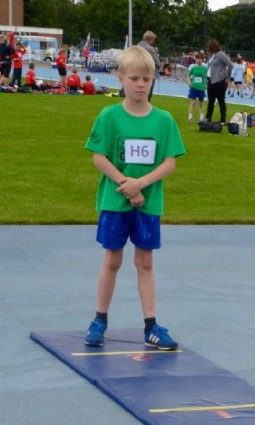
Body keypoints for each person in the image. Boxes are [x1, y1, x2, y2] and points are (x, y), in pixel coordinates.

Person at [82, 46, 185, 352]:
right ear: (121, 79)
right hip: (115, 202)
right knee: (112, 259)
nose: (141, 85)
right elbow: (99, 157)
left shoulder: (164, 120)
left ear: (153, 81)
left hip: (148, 203)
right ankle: (99, 321)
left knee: (145, 261)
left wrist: (141, 184)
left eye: (146, 79)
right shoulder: (109, 116)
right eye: (134, 78)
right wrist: (126, 185)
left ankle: (151, 327)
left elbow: (169, 162)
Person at [203, 38, 232, 125]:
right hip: (211, 80)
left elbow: (230, 64)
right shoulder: (212, 55)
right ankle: (208, 118)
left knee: (221, 101)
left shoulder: (221, 54)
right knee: (211, 101)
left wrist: (227, 76)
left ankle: (223, 119)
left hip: (219, 81)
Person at [137, 31, 159, 95]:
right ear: (150, 39)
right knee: (147, 95)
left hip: (137, 72)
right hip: (148, 73)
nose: (153, 41)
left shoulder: (137, 47)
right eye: (153, 40)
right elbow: (157, 62)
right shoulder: (150, 49)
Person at [186, 52, 206, 122]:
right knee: (193, 102)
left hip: (201, 88)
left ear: (202, 59)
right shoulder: (193, 68)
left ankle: (201, 118)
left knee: (201, 103)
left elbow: (207, 77)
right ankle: (190, 117)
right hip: (194, 87)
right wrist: (189, 81)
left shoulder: (205, 68)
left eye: (200, 59)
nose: (198, 60)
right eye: (197, 59)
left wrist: (206, 84)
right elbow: (188, 75)